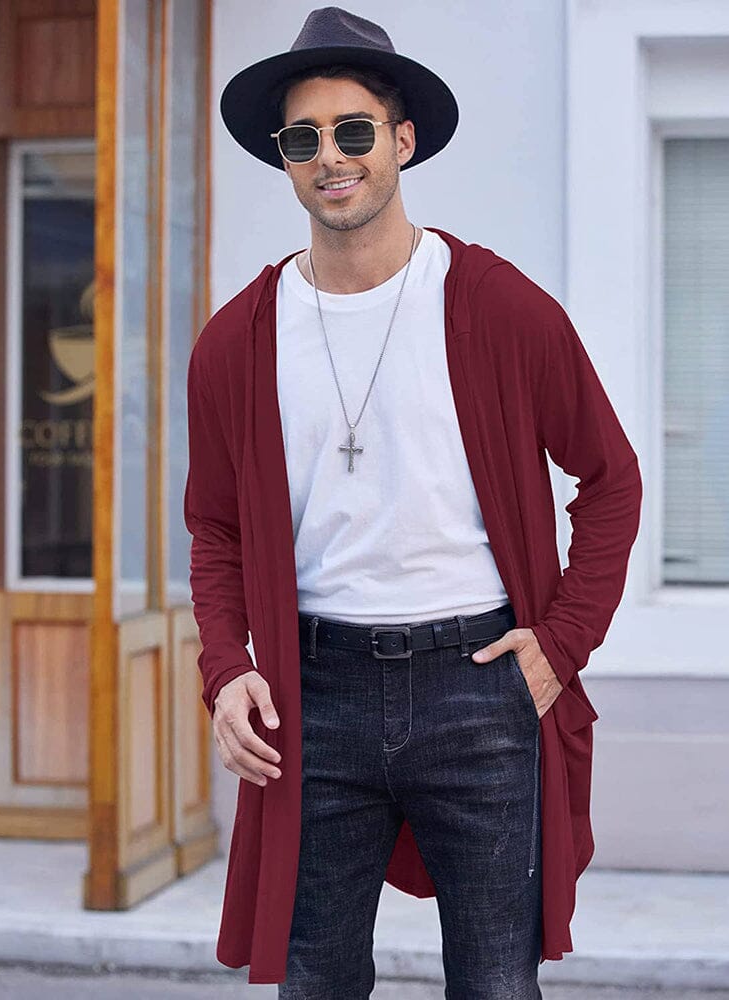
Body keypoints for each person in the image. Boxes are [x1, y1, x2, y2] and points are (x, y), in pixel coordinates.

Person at [183, 6, 643, 997]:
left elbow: (610, 479)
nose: (330, 157)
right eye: (303, 139)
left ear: (402, 140)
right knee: (315, 980)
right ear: (284, 159)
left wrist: (562, 644)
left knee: (495, 982)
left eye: (353, 130)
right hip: (315, 694)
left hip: (479, 684)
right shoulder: (237, 341)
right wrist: (226, 668)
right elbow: (214, 528)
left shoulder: (500, 308)